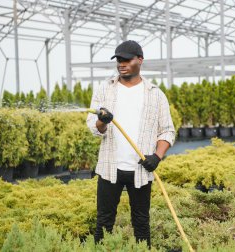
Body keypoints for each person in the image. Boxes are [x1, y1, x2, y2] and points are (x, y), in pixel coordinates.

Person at [86, 40, 175, 248]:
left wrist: (157, 157)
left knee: (142, 223)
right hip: (110, 168)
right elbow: (93, 126)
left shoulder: (155, 95)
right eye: (118, 60)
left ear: (140, 60)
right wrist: (102, 121)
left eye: (126, 59)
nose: (121, 64)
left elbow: (167, 131)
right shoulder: (105, 90)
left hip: (141, 169)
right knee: (104, 222)